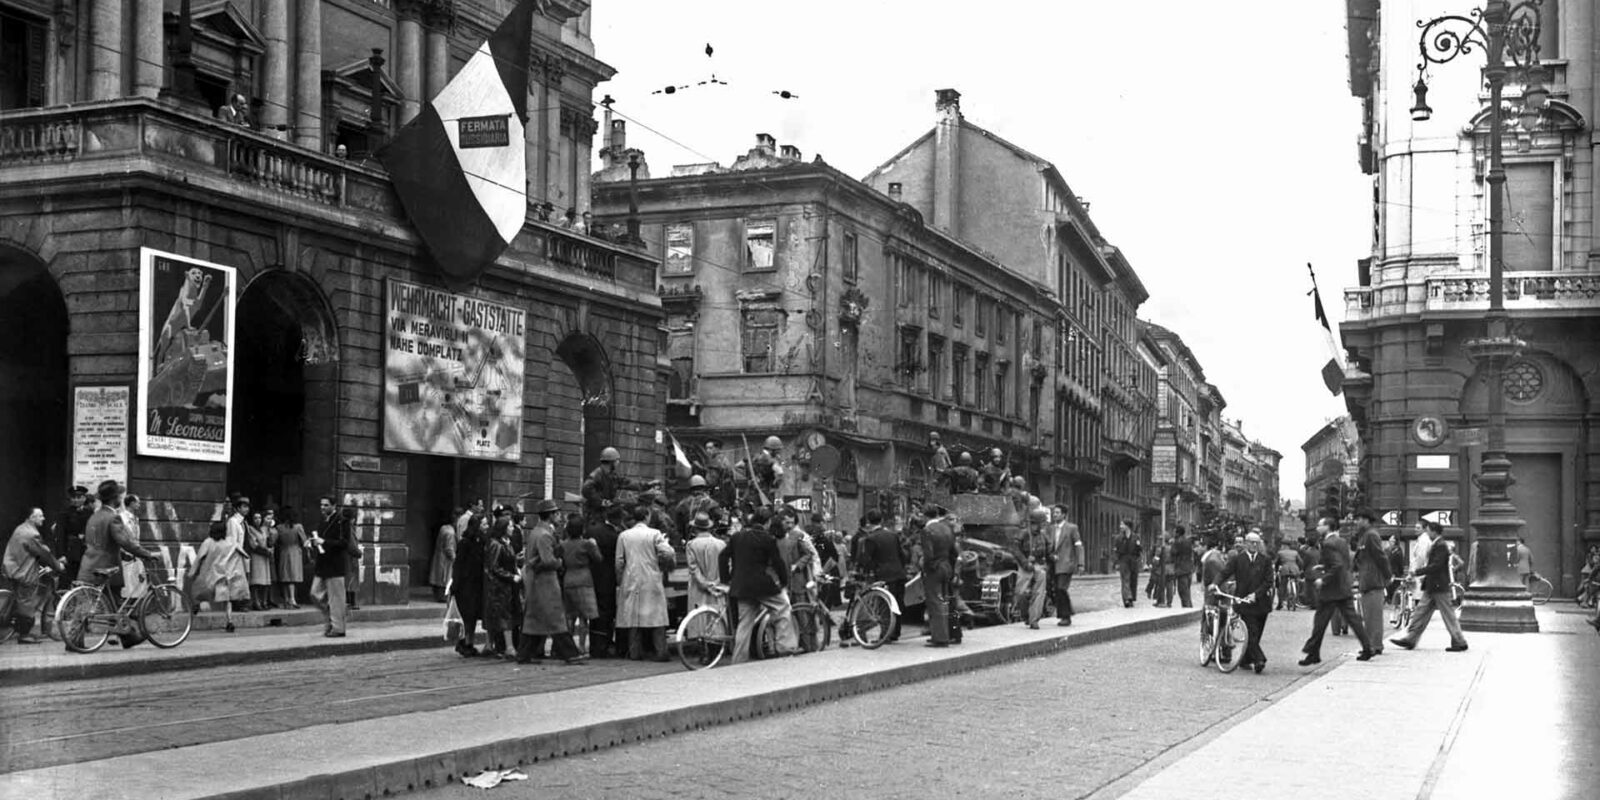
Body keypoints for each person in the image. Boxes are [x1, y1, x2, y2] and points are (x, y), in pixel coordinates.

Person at [75, 481, 159, 647]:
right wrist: (146, 554)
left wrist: (123, 556)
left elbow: (101, 542)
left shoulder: (94, 515)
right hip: (107, 566)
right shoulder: (113, 517)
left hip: (88, 564)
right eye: (119, 495)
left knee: (96, 603)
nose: (121, 497)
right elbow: (125, 541)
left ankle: (126, 637)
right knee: (113, 602)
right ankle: (128, 636)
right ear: (115, 498)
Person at [718, 505, 798, 663]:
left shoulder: (737, 537)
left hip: (741, 587)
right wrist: (783, 583)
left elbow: (722, 557)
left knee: (744, 623)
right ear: (767, 522)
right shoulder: (767, 539)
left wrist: (725, 580)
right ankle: (785, 649)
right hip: (762, 586)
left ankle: (739, 660)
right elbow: (778, 563)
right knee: (783, 609)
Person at [1299, 516, 1376, 665]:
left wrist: (1324, 579)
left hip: (1331, 590)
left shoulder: (1327, 543)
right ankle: (1368, 647)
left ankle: (1313, 653)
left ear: (1327, 527)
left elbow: (1337, 565)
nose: (1317, 528)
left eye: (1320, 525)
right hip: (1343, 586)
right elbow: (1343, 563)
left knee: (1320, 621)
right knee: (1353, 620)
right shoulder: (1341, 542)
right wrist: (1323, 567)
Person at [517, 500, 586, 664]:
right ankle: (570, 653)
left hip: (536, 579)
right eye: (557, 513)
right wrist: (560, 562)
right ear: (551, 515)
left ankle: (525, 654)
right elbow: (548, 561)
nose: (560, 517)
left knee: (534, 618)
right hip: (545, 581)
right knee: (556, 616)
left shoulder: (536, 531)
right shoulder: (545, 535)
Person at [1390, 522, 1469, 653]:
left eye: (1428, 531)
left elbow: (1436, 566)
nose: (1427, 533)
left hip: (1438, 586)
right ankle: (1410, 638)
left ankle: (1459, 641)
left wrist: (1418, 572)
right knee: (1421, 613)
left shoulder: (1440, 545)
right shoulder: (1438, 544)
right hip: (1433, 585)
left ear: (1434, 532)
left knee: (1447, 615)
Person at [614, 505, 675, 661]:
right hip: (651, 578)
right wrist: (664, 564)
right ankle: (661, 652)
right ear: (647, 516)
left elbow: (619, 562)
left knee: (633, 618)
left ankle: (635, 653)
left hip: (631, 578)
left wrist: (620, 581)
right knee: (657, 617)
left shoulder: (624, 535)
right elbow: (667, 553)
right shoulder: (654, 534)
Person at [1214, 532, 1275, 674]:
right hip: (1244, 602)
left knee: (1256, 634)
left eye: (1256, 543)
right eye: (1251, 542)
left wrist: (1256, 594)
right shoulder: (1238, 559)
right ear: (1246, 543)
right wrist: (1214, 584)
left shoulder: (1265, 560)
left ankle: (1246, 660)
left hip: (1261, 603)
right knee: (1251, 632)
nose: (1254, 545)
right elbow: (1225, 572)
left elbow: (1269, 581)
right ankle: (1259, 660)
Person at [4, 508, 64, 644]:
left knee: (26, 599)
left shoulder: (21, 528)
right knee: (27, 602)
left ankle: (41, 629)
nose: (43, 518)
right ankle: (24, 635)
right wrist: (58, 565)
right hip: (24, 572)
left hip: (14, 568)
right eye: (40, 516)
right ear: (32, 517)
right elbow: (43, 553)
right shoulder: (31, 534)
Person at [855, 510, 907, 641]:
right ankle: (895, 632)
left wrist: (867, 571)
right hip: (899, 573)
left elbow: (866, 560)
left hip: (883, 575)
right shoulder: (893, 535)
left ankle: (886, 635)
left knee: (885, 605)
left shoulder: (870, 538)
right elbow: (901, 554)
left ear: (868, 522)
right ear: (881, 520)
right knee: (897, 604)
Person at [189, 519, 243, 633]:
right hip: (223, 574)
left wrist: (192, 571)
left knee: (199, 592)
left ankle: (196, 606)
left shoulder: (208, 542)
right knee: (227, 600)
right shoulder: (229, 543)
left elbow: (199, 558)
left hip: (208, 574)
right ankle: (229, 621)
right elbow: (241, 552)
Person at [1350, 509, 1391, 655]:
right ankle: (1372, 645)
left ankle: (1374, 645)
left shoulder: (1371, 535)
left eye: (1359, 519)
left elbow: (1381, 557)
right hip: (1367, 579)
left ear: (1366, 520)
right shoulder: (1365, 536)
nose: (1356, 522)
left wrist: (1388, 575)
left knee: (1373, 615)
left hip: (1373, 580)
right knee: (1368, 615)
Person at [310, 496, 353, 638]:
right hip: (322, 564)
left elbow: (344, 543)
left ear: (334, 506)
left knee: (336, 598)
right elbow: (320, 538)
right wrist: (311, 542)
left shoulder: (342, 521)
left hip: (335, 565)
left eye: (326, 505)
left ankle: (338, 628)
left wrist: (324, 541)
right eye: (321, 505)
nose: (322, 507)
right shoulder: (323, 521)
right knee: (314, 594)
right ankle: (334, 615)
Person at [585, 505, 623, 657]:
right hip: (608, 578)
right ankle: (604, 645)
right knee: (607, 612)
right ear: (618, 519)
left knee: (594, 612)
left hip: (591, 574)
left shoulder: (591, 530)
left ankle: (594, 644)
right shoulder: (615, 536)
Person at [481, 517, 521, 659]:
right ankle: (508, 647)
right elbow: (494, 567)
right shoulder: (495, 544)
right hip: (498, 587)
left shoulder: (506, 543)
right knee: (503, 616)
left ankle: (490, 645)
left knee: (498, 615)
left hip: (505, 586)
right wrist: (511, 576)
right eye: (509, 526)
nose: (512, 529)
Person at [449, 513, 488, 656]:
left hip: (477, 584)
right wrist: (455, 585)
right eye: (484, 524)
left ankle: (469, 642)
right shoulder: (465, 543)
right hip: (466, 586)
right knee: (467, 616)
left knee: (472, 617)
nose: (486, 527)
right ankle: (463, 643)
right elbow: (458, 566)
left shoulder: (482, 541)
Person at [920, 502, 958, 647]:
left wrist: (926, 568)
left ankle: (940, 637)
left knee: (934, 602)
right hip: (947, 566)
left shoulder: (927, 530)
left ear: (925, 516)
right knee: (945, 601)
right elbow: (954, 552)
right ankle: (948, 633)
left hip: (934, 569)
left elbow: (928, 555)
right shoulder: (947, 528)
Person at [1011, 507, 1051, 629]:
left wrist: (1052, 557)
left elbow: (1049, 550)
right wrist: (1024, 562)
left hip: (1039, 566)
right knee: (1021, 593)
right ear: (1035, 523)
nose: (1042, 526)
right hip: (1025, 566)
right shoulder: (1023, 533)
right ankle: (1026, 615)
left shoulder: (1043, 535)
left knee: (1039, 593)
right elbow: (1015, 550)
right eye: (1041, 523)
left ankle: (1034, 619)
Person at [51, 486, 93, 591]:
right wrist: (61, 555)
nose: (76, 500)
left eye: (79, 497)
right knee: (66, 582)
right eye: (73, 497)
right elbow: (60, 535)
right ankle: (61, 604)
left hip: (84, 552)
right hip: (69, 552)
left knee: (83, 583)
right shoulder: (65, 513)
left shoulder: (89, 513)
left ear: (84, 498)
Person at [1048, 505, 1083, 626]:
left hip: (1066, 564)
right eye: (1054, 513)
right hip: (1054, 564)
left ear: (1064, 515)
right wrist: (1051, 555)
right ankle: (1067, 613)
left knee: (1061, 589)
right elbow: (1049, 546)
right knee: (1056, 590)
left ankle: (1066, 616)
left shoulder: (1072, 528)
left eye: (1057, 513)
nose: (1055, 515)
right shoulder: (1051, 529)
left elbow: (1078, 545)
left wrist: (1080, 564)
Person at [581, 447, 631, 520]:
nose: (618, 462)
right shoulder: (597, 474)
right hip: (595, 515)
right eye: (616, 460)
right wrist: (601, 501)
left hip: (604, 512)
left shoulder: (612, 475)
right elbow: (586, 489)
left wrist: (646, 485)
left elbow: (626, 483)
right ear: (611, 462)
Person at [273, 507, 306, 609]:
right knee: (292, 577)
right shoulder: (298, 527)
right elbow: (304, 541)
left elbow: (275, 541)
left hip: (284, 551)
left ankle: (287, 599)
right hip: (295, 551)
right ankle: (292, 599)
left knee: (285, 576)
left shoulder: (279, 528)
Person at [246, 509, 275, 610]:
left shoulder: (264, 529)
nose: (258, 520)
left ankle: (264, 601)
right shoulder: (250, 529)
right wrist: (266, 551)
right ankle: (256, 602)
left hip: (265, 558)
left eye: (259, 518)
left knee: (265, 581)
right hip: (256, 556)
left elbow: (268, 541)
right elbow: (253, 544)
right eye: (255, 518)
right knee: (256, 581)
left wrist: (270, 547)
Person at [429, 513, 458, 603]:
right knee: (445, 578)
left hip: (439, 557)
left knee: (439, 578)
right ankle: (443, 596)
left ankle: (439, 595)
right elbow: (449, 549)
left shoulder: (444, 528)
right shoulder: (450, 533)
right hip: (446, 561)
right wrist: (456, 560)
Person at [1113, 520, 1142, 608]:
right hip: (1123, 560)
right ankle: (1126, 598)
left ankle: (1131, 598)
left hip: (1133, 560)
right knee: (1125, 579)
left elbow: (1139, 549)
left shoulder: (1136, 537)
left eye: (1122, 525)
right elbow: (1116, 551)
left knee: (1133, 580)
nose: (1120, 526)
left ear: (1127, 526)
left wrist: (1139, 560)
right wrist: (1116, 562)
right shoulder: (1118, 538)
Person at [1169, 525, 1195, 609]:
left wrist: (1172, 543)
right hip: (1188, 569)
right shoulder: (1188, 541)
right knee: (1187, 591)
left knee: (1183, 592)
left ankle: (1187, 609)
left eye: (1174, 531)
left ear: (1178, 533)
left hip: (1181, 570)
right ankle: (1189, 607)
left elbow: (1173, 552)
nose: (1173, 533)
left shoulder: (1178, 542)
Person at [1275, 537, 1303, 610]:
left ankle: (1280, 603)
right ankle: (1296, 599)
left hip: (1285, 569)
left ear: (1283, 545)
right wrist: (1300, 569)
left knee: (1282, 586)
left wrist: (1276, 570)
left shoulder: (1280, 552)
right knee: (1297, 584)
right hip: (1295, 569)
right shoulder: (1295, 552)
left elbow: (1277, 563)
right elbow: (1300, 562)